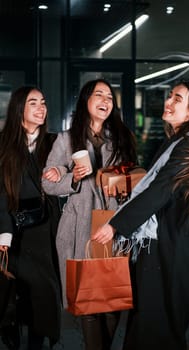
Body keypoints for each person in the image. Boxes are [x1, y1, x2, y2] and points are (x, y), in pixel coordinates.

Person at [92, 81, 189, 350]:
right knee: (152, 319)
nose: (169, 101)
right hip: (163, 241)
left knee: (159, 321)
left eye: (178, 98)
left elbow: (161, 189)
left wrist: (117, 225)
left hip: (169, 245)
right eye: (170, 96)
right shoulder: (178, 140)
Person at [42, 78, 137, 350]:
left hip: (112, 225)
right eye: (99, 95)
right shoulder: (65, 138)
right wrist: (72, 177)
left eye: (110, 97)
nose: (106, 100)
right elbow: (48, 183)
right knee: (89, 301)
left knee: (112, 300)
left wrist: (122, 186)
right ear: (86, 101)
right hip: (80, 228)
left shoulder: (121, 138)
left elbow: (133, 179)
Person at [0, 86, 61, 350]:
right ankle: (10, 334)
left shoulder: (55, 142)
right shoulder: (4, 144)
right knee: (13, 291)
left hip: (45, 228)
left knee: (44, 292)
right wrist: (3, 232)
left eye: (43, 102)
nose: (41, 108)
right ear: (19, 110)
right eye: (33, 103)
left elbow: (72, 177)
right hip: (13, 228)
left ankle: (39, 341)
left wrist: (62, 172)